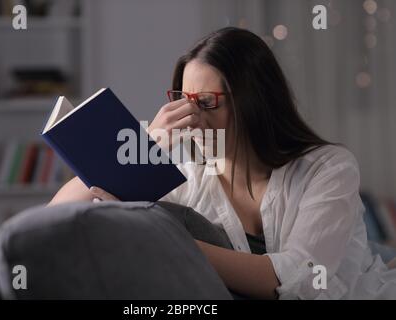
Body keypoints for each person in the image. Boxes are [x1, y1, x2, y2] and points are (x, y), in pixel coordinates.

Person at [48, 27, 396, 299]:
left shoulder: (329, 167)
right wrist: (147, 142)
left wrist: (169, 241)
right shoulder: (187, 175)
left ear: (255, 102)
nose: (191, 118)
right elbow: (54, 217)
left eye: (208, 102)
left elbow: (298, 280)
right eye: (183, 101)